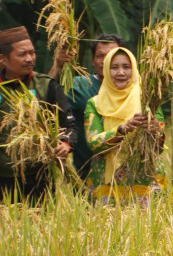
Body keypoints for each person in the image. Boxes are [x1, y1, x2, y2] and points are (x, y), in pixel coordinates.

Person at [0, 26, 76, 201]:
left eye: (32, 53)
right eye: (22, 54)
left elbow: (69, 125)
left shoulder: (46, 86)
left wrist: (66, 144)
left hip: (38, 178)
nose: (30, 59)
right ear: (3, 59)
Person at [83, 47, 165, 204]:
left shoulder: (148, 101)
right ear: (106, 70)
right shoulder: (94, 104)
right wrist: (122, 130)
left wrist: (156, 131)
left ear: (134, 69)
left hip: (145, 180)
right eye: (114, 67)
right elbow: (93, 142)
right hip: (106, 184)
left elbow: (160, 147)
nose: (121, 73)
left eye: (126, 67)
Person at [50, 34, 127, 180]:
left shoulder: (135, 90)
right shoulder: (80, 86)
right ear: (92, 60)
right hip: (86, 174)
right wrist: (57, 66)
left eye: (111, 55)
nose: (106, 60)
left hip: (127, 173)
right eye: (100, 55)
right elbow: (47, 97)